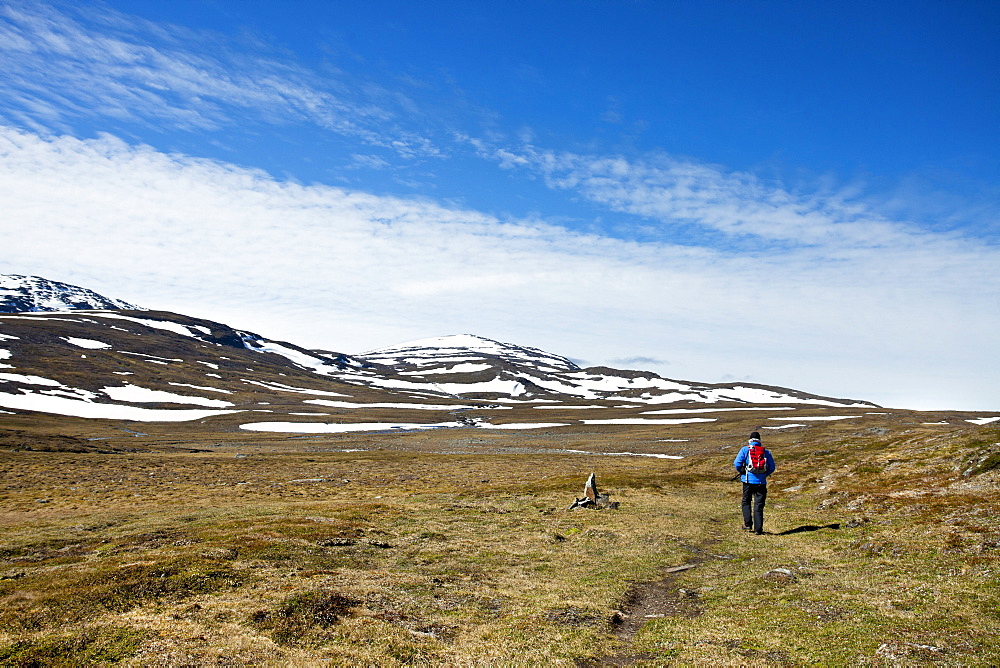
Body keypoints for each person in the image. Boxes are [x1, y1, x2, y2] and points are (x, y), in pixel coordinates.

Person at [733, 431, 776, 535]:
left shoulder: (745, 450)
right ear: (759, 440)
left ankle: (748, 524)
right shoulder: (766, 452)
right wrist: (764, 475)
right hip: (761, 482)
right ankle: (758, 529)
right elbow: (772, 467)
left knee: (746, 501)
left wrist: (742, 471)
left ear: (750, 440)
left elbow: (737, 463)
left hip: (747, 480)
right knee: (759, 505)